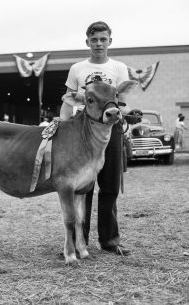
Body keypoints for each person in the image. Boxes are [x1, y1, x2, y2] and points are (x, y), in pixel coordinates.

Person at [60, 21, 141, 256]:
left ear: (109, 41)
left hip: (111, 131)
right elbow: (68, 101)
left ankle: (110, 240)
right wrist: (61, 124)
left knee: (110, 186)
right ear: (87, 42)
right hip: (83, 132)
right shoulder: (77, 69)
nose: (98, 44)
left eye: (103, 39)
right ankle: (78, 239)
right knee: (81, 186)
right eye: (94, 40)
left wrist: (129, 116)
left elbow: (122, 100)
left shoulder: (118, 67)